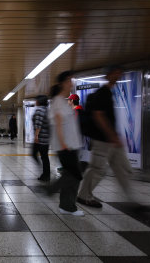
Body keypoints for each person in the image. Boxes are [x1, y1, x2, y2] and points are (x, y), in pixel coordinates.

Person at [77, 66, 132, 208]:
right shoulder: (103, 93)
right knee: (97, 168)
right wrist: (112, 136)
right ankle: (84, 195)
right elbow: (98, 115)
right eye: (116, 72)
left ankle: (132, 198)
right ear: (108, 75)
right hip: (103, 139)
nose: (119, 75)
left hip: (110, 139)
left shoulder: (108, 92)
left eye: (120, 72)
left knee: (121, 168)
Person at [48, 71, 84, 216]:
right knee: (75, 175)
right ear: (62, 83)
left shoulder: (63, 101)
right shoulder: (58, 102)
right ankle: (52, 191)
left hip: (70, 145)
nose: (71, 83)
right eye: (69, 80)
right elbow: (58, 124)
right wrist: (63, 144)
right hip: (66, 146)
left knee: (72, 174)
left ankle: (66, 205)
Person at [32, 95, 50, 181]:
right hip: (46, 138)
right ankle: (46, 174)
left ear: (39, 101)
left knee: (35, 154)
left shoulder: (39, 110)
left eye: (36, 100)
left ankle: (45, 174)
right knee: (44, 157)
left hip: (40, 139)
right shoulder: (47, 110)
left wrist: (36, 136)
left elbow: (38, 124)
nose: (35, 102)